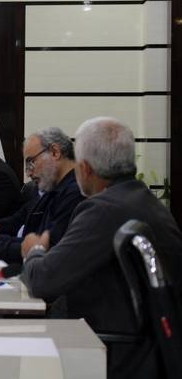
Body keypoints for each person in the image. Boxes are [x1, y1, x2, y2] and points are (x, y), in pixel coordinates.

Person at [20, 117, 182, 379]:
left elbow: (41, 281)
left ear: (85, 169)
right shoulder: (147, 202)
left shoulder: (103, 210)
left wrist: (35, 250)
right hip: (146, 350)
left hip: (110, 352)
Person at [0, 127, 84, 263]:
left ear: (55, 152)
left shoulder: (75, 192)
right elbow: (19, 227)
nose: (28, 173)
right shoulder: (50, 188)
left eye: (31, 162)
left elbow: (45, 248)